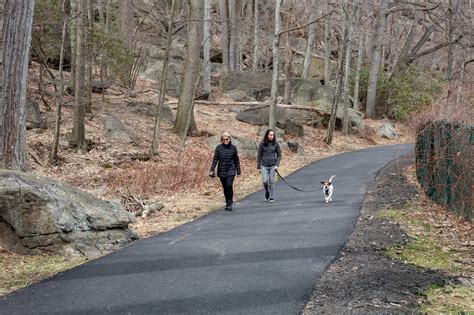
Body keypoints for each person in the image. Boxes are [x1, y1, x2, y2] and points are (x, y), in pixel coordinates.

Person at [210, 131, 241, 211]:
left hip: (231, 169)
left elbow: (236, 160)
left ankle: (230, 202)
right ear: (221, 140)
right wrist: (212, 170)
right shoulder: (219, 148)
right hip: (222, 170)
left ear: (230, 139)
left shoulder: (233, 148)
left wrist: (238, 171)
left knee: (229, 185)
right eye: (223, 140)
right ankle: (227, 201)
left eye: (227, 139)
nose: (225, 141)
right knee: (225, 187)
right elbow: (215, 159)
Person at [257, 129, 281, 203]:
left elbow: (279, 154)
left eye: (273, 135)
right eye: (270, 135)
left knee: (272, 181)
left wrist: (277, 165)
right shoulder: (262, 143)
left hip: (273, 166)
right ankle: (267, 191)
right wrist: (258, 166)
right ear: (267, 135)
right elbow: (259, 155)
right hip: (264, 165)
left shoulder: (276, 144)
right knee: (265, 181)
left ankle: (271, 197)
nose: (272, 136)